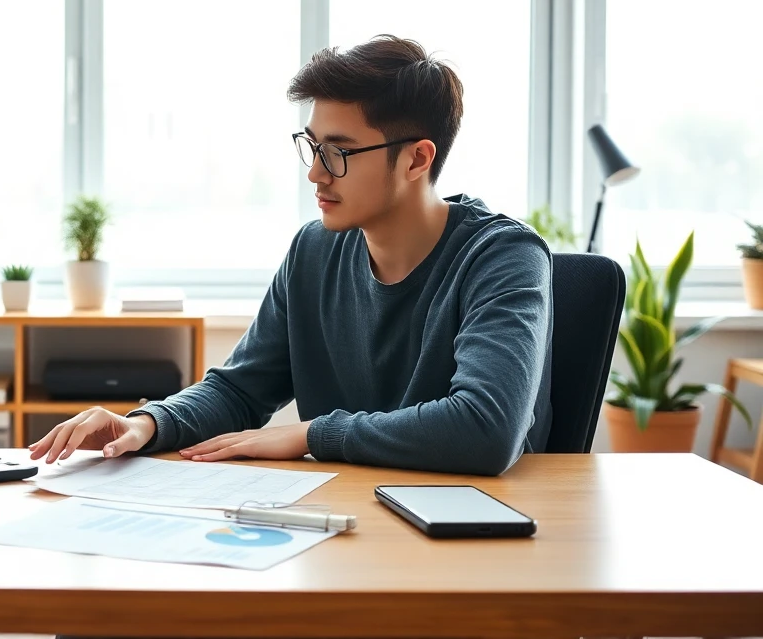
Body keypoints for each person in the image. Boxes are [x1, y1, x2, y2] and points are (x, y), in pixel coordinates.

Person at [29, 35, 552, 477]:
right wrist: (147, 424)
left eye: (339, 153)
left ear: (417, 159)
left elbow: (486, 427)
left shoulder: (504, 257)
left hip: (468, 528)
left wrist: (309, 435)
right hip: (343, 515)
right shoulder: (314, 249)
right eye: (312, 146)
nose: (316, 174)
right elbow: (239, 391)